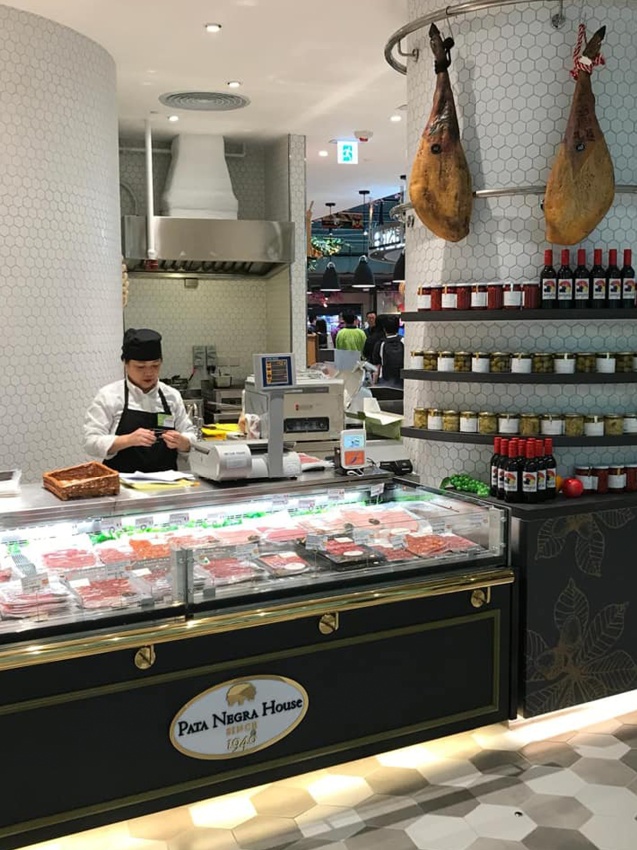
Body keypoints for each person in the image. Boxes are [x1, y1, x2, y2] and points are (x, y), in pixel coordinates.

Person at [83, 328, 197, 473]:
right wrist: (128, 440)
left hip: (167, 481)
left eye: (155, 365)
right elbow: (91, 442)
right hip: (122, 482)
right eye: (140, 367)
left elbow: (190, 434)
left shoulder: (172, 396)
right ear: (125, 364)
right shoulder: (109, 395)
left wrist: (183, 442)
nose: (149, 372)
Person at [372, 314, 404, 387]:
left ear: (384, 329)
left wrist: (374, 383)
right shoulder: (403, 341)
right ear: (398, 327)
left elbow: (377, 367)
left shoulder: (380, 343)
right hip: (402, 379)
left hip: (385, 380)